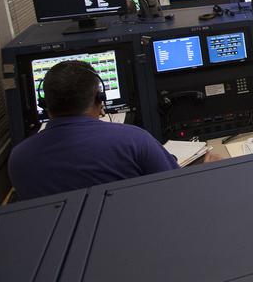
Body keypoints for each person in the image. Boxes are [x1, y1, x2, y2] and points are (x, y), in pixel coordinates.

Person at [9, 60, 177, 199]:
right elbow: (176, 186)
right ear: (99, 99)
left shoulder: (19, 158)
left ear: (44, 104)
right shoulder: (135, 140)